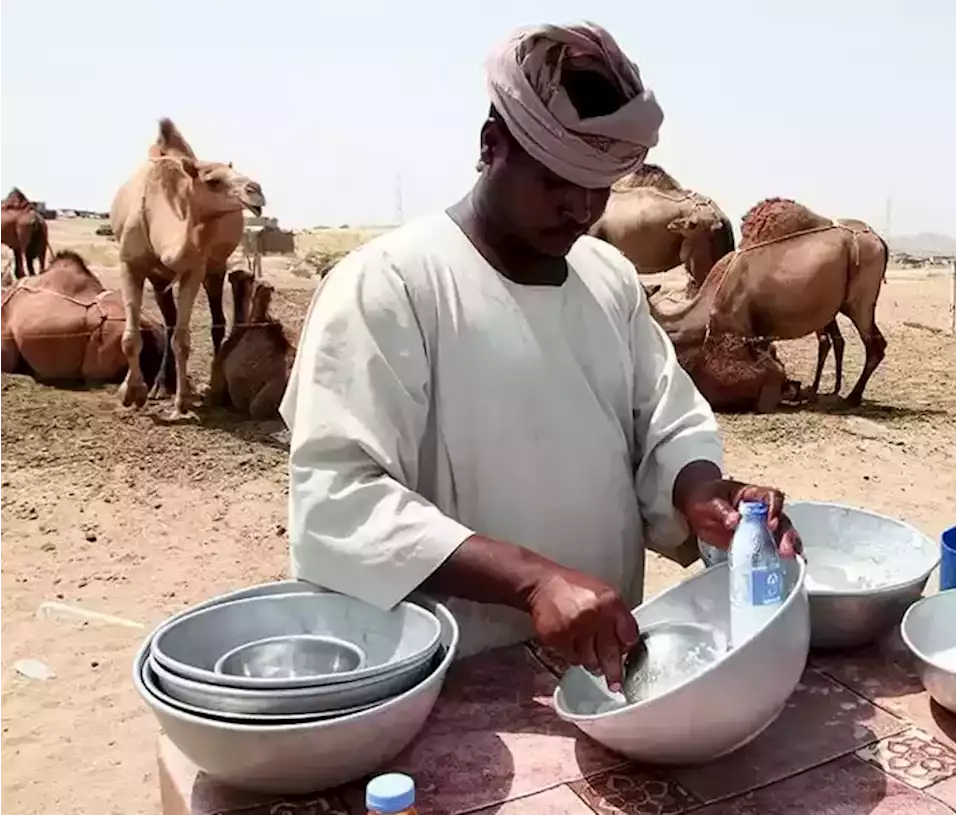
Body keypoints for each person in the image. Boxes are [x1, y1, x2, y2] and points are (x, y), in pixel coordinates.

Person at [280, 22, 799, 692]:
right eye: (558, 180)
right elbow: (338, 499)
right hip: (457, 686)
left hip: (607, 669)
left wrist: (699, 492)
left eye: (600, 186)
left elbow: (664, 421)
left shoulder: (608, 278)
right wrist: (533, 581)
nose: (581, 207)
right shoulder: (389, 284)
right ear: (491, 146)